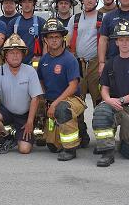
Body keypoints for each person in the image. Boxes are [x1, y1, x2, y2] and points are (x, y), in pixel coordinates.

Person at [92, 19, 129, 167]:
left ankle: (126, 141)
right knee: (101, 112)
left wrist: (122, 100)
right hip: (115, 105)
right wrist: (108, 100)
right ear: (116, 42)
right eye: (120, 40)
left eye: (127, 39)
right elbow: (104, 88)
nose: (124, 43)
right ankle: (107, 151)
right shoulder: (110, 63)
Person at [0, 34, 44, 154]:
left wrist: (30, 122)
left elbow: (35, 98)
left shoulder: (30, 71)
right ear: (5, 55)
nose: (15, 55)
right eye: (11, 52)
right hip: (7, 112)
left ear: (23, 54)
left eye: (18, 52)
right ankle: (8, 138)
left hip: (25, 116)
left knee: (24, 149)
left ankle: (20, 134)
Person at [37, 18, 86, 161]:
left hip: (71, 100)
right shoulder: (44, 60)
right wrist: (44, 99)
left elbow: (73, 86)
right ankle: (78, 130)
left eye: (57, 36)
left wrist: (54, 103)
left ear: (62, 38)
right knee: (53, 146)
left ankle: (70, 149)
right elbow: (41, 80)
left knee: (62, 109)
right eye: (50, 37)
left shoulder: (69, 59)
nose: (54, 40)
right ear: (45, 40)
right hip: (52, 101)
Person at [67, 0, 104, 147]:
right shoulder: (74, 19)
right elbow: (67, 41)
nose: (89, 1)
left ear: (97, 0)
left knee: (99, 100)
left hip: (97, 63)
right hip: (78, 62)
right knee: (77, 100)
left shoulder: (104, 18)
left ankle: (102, 136)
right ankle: (82, 134)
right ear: (82, 1)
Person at [8, 0, 47, 67]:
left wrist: (43, 60)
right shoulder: (13, 23)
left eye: (29, 1)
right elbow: (7, 46)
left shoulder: (41, 22)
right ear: (20, 3)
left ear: (34, 3)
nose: (27, 4)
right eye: (24, 1)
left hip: (35, 63)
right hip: (17, 63)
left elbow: (45, 44)